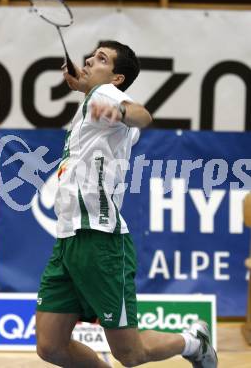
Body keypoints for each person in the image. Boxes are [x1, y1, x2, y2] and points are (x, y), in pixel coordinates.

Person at [36, 40, 218, 368]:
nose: (90, 60)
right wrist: (85, 89)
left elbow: (142, 115)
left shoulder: (111, 97)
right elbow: (102, 109)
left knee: (130, 353)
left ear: (117, 78)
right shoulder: (94, 100)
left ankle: (193, 342)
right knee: (51, 346)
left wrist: (116, 108)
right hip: (67, 240)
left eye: (101, 59)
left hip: (100, 240)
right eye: (91, 55)